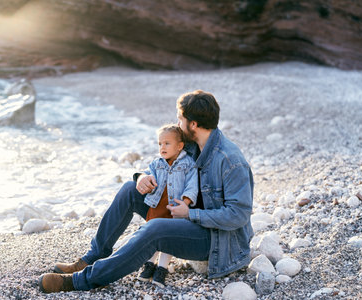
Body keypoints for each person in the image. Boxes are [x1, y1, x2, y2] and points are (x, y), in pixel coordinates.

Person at [38, 90, 254, 293]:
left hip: (217, 239)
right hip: (183, 215)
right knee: (130, 189)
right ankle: (93, 256)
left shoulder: (230, 160)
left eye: (180, 119)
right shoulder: (189, 144)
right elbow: (160, 165)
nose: (178, 124)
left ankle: (80, 280)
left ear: (194, 124)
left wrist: (190, 214)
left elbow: (239, 215)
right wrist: (141, 178)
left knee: (155, 229)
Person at [137, 124, 198, 287]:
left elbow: (192, 186)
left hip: (174, 207)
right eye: (160, 144)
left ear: (180, 146)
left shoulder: (188, 164)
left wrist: (185, 203)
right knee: (152, 235)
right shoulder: (157, 163)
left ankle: (162, 269)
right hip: (158, 205)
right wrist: (144, 178)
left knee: (169, 238)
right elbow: (147, 175)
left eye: (167, 143)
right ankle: (149, 264)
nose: (162, 147)